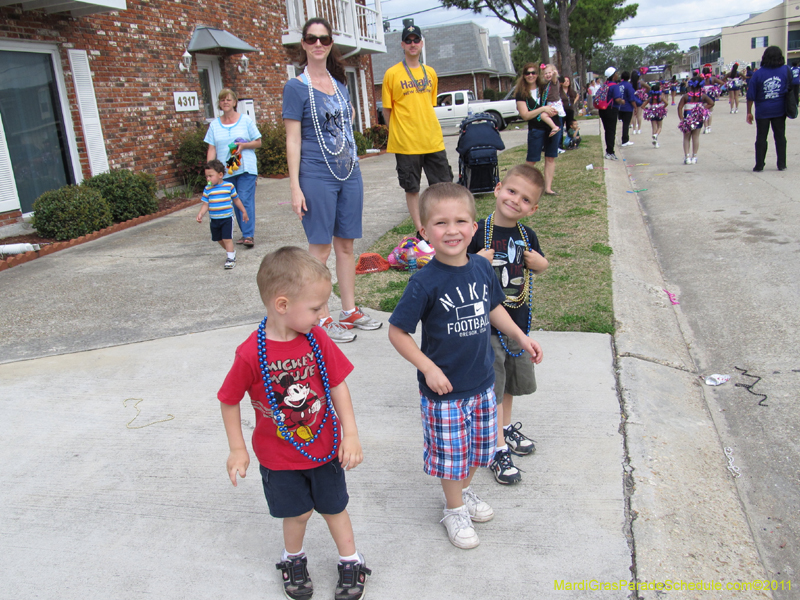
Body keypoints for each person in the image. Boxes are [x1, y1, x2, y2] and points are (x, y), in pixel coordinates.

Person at [388, 182, 543, 549]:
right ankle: (453, 509)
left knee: (477, 450)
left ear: (475, 227)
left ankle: (465, 493)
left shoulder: (480, 267)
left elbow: (493, 308)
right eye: (440, 223)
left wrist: (520, 337)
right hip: (444, 392)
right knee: (451, 458)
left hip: (482, 383)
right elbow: (397, 332)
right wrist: (428, 367)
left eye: (460, 221)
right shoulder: (424, 283)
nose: (452, 230)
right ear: (425, 232)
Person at [218, 246, 371, 600]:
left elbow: (337, 384)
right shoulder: (250, 353)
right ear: (283, 305)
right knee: (297, 513)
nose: (323, 314)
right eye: (316, 308)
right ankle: (293, 558)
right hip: (279, 457)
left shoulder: (316, 339)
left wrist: (351, 433)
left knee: (335, 508)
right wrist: (237, 449)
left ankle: (351, 559)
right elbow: (228, 400)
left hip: (324, 449)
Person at [283, 18, 382, 344]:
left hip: (348, 171)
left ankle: (348, 310)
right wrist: (295, 187)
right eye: (311, 39)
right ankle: (320, 316)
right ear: (304, 44)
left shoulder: (339, 84)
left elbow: (345, 123)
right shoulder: (296, 88)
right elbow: (293, 139)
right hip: (315, 174)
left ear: (329, 43)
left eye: (323, 38)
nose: (318, 44)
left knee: (346, 245)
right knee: (320, 249)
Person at [466, 164, 548, 485]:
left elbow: (540, 264)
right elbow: (457, 266)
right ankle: (496, 447)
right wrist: (476, 261)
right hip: (487, 326)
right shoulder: (478, 231)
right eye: (512, 191)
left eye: (526, 199)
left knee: (510, 383)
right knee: (494, 385)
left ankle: (503, 428)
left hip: (517, 321)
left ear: (533, 208)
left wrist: (539, 262)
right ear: (498, 188)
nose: (516, 201)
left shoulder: (527, 236)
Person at [382, 24, 452, 239]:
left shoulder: (430, 73)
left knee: (442, 186)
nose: (412, 44)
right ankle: (422, 230)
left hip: (432, 138)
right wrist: (396, 133)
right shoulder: (392, 74)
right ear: (403, 44)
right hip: (406, 142)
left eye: (416, 40)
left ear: (421, 43)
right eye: (408, 40)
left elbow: (428, 105)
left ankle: (442, 224)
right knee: (411, 187)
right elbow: (387, 109)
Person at [204, 88, 262, 248]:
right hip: (226, 170)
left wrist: (244, 145)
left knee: (244, 199)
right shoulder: (214, 125)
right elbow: (212, 148)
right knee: (235, 200)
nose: (225, 102)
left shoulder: (245, 121)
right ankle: (245, 233)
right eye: (222, 100)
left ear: (235, 102)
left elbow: (258, 142)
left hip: (246, 167)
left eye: (229, 99)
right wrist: (210, 171)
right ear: (219, 104)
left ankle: (248, 235)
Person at [513, 63, 560, 192]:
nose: (531, 75)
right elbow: (526, 115)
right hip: (536, 128)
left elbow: (556, 84)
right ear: (523, 75)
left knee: (550, 157)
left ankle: (548, 188)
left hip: (552, 126)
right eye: (528, 73)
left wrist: (553, 72)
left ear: (537, 74)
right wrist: (542, 109)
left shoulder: (544, 88)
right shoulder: (521, 94)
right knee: (532, 160)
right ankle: (522, 186)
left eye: (533, 73)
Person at [195, 159, 249, 270]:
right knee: (218, 239)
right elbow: (206, 204)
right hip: (214, 219)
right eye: (207, 176)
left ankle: (230, 258)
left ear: (220, 175)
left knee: (227, 238)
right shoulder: (207, 189)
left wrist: (243, 211)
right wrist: (201, 214)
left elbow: (236, 200)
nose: (208, 179)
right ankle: (231, 252)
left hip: (227, 218)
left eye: (211, 176)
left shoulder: (229, 186)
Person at [746, 46, 792, 172]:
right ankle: (781, 163)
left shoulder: (758, 74)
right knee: (780, 136)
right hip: (780, 109)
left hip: (762, 111)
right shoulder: (786, 70)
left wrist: (749, 112)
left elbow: (751, 96)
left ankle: (759, 164)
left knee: (761, 137)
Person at [677, 75, 714, 165]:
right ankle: (694, 156)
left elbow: (680, 107)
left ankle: (687, 157)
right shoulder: (702, 96)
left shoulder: (686, 96)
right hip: (698, 117)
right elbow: (712, 103)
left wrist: (681, 118)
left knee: (686, 137)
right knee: (696, 137)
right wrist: (702, 108)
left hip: (687, 117)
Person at [597, 67, 623, 160]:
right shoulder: (614, 86)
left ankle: (609, 151)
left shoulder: (604, 85)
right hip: (611, 110)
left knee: (607, 130)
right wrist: (623, 101)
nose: (617, 75)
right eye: (616, 73)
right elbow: (617, 99)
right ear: (613, 75)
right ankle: (610, 152)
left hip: (602, 110)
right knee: (611, 131)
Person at [642, 82, 668, 148]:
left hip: (652, 112)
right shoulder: (660, 98)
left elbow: (643, 106)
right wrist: (662, 107)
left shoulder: (650, 99)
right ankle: (656, 134)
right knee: (660, 127)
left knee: (654, 127)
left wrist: (647, 110)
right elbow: (667, 103)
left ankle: (655, 142)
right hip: (659, 112)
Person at [700, 66, 724, 134]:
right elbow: (722, 82)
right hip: (711, 96)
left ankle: (705, 127)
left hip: (703, 96)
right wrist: (716, 88)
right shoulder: (713, 79)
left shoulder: (701, 79)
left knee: (704, 111)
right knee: (710, 112)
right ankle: (709, 127)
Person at [618, 71, 638, 147]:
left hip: (620, 107)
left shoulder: (619, 85)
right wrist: (635, 107)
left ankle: (624, 139)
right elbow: (631, 98)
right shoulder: (629, 86)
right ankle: (625, 140)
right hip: (627, 108)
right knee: (626, 124)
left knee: (624, 123)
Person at [630, 70, 650, 135]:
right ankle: (639, 129)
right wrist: (643, 92)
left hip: (632, 100)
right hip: (639, 99)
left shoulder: (630, 83)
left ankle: (634, 130)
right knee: (639, 115)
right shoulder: (641, 83)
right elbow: (649, 87)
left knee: (633, 115)